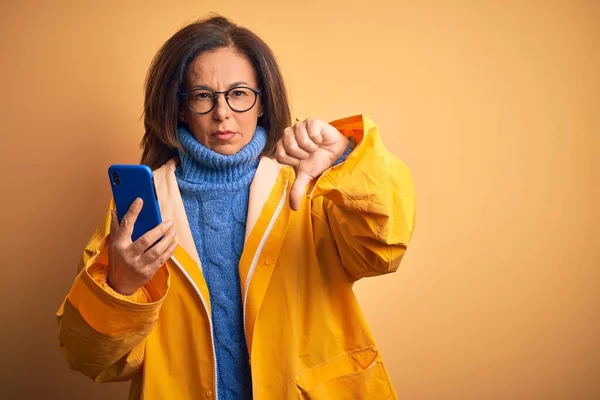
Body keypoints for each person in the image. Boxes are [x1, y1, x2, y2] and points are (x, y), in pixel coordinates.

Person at [56, 14, 416, 400]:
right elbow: (92, 359)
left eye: (240, 93)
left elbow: (383, 251)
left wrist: (346, 157)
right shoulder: (141, 209)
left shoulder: (309, 183)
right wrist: (120, 287)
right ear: (180, 108)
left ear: (262, 102)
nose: (223, 112)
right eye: (202, 96)